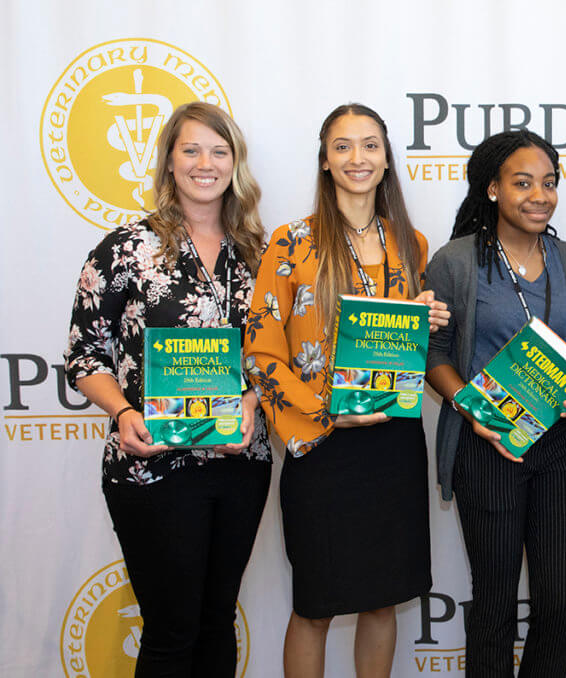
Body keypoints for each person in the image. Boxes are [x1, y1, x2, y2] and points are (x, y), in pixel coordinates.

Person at [64, 101, 271, 677]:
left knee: (217, 624)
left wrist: (254, 398)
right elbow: (84, 355)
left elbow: (275, 355)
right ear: (169, 162)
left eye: (219, 151)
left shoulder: (260, 254)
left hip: (238, 463)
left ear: (236, 164)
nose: (206, 164)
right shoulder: (124, 250)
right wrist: (123, 410)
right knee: (172, 632)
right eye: (191, 150)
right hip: (152, 466)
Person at [244, 103, 448, 678]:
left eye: (369, 145)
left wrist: (422, 318)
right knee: (316, 605)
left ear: (386, 159)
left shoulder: (413, 243)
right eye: (342, 146)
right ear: (325, 161)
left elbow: (402, 345)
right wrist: (326, 411)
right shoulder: (290, 243)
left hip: (393, 444)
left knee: (383, 598)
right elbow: (260, 352)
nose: (357, 158)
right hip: (322, 445)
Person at [425, 129, 566, 677]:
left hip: (559, 451)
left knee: (557, 604)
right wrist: (475, 411)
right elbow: (432, 355)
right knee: (495, 605)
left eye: (548, 183)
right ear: (493, 189)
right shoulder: (455, 261)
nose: (539, 196)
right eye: (522, 183)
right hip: (488, 448)